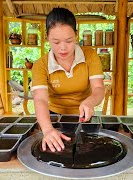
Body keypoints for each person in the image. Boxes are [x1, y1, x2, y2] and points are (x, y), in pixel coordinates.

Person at [31, 8, 105, 152]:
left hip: (84, 115)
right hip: (52, 117)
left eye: (69, 41)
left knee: (85, 151)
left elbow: (98, 89)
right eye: (56, 42)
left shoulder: (90, 55)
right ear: (46, 37)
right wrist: (47, 129)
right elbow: (40, 99)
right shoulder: (40, 65)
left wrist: (90, 102)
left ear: (76, 35)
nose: (63, 48)